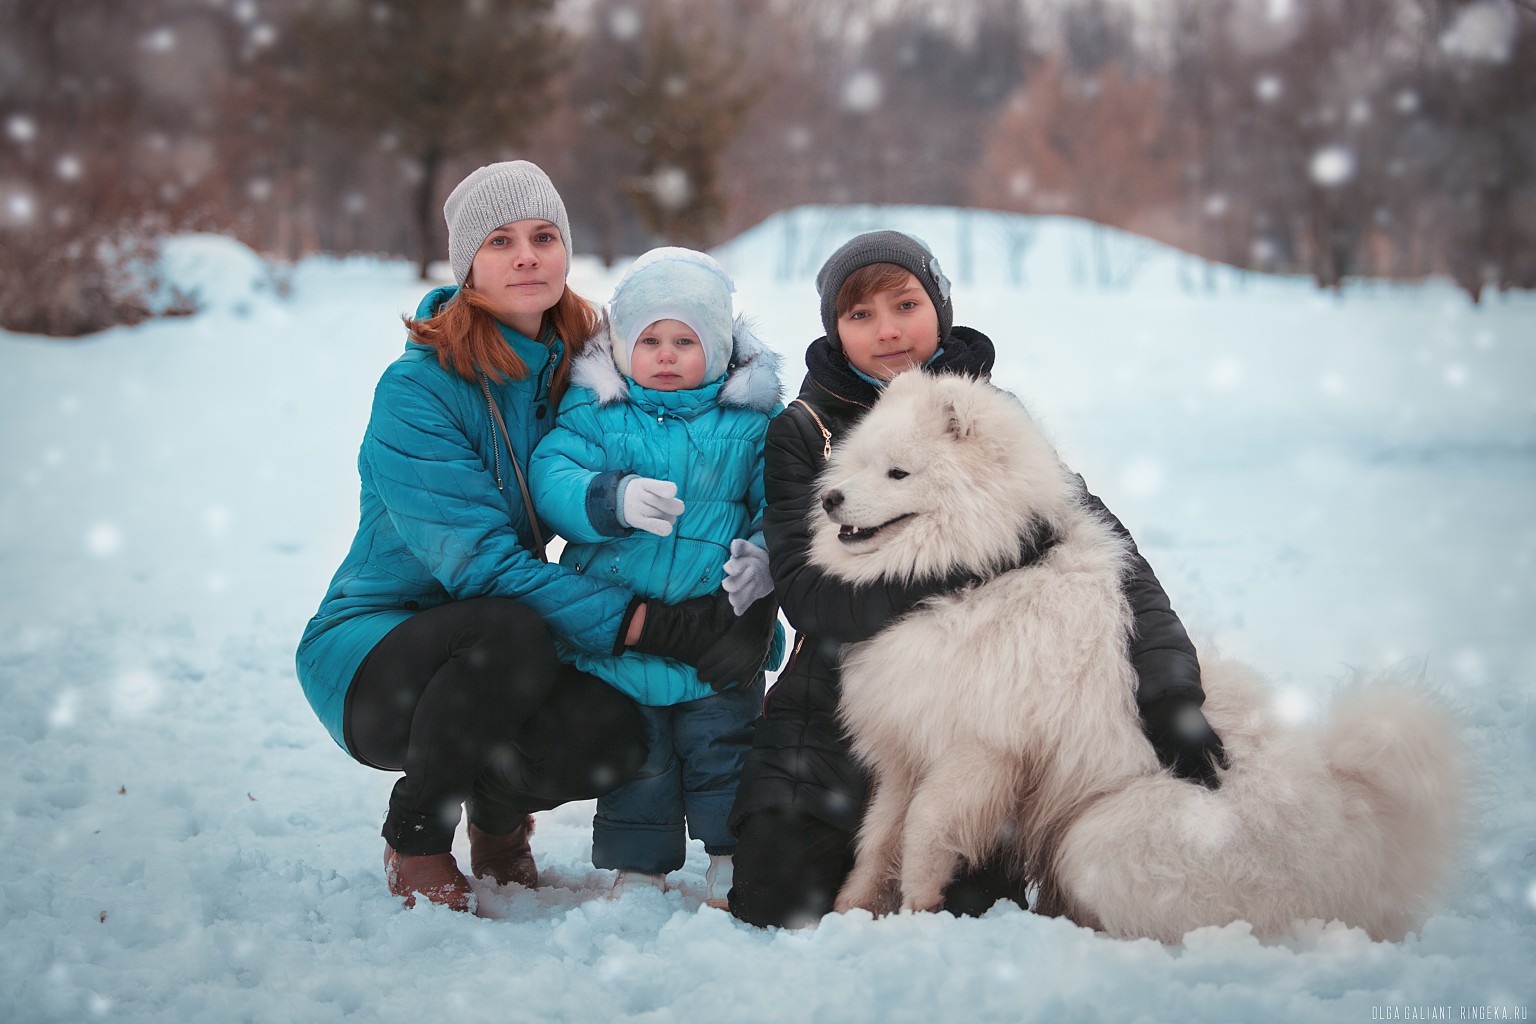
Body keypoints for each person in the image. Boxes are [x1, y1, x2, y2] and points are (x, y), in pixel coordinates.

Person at [294, 161, 765, 915]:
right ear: (467, 267)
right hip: (381, 653)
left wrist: (743, 588)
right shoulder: (417, 390)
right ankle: (417, 836)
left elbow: (708, 418)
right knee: (507, 631)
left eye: (544, 236)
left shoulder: (589, 364)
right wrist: (648, 624)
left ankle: (497, 818)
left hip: (517, 629)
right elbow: (480, 567)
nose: (526, 256)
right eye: (500, 241)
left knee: (618, 729)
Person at [725, 230, 1228, 929]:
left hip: (979, 714)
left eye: (905, 304)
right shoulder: (805, 430)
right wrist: (967, 559)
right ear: (835, 331)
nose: (889, 330)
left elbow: (1115, 560)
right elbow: (813, 599)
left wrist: (1172, 694)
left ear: (940, 307)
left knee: (963, 906)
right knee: (775, 901)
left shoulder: (991, 421)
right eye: (859, 315)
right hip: (833, 707)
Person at [529, 247, 783, 908]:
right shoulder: (595, 412)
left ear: (722, 350)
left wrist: (763, 555)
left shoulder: (751, 424)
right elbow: (552, 475)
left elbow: (779, 502)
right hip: (624, 634)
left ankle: (737, 857)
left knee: (725, 745)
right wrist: (607, 498)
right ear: (621, 345)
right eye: (649, 340)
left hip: (713, 631)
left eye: (685, 340)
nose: (666, 355)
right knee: (640, 756)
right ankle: (638, 869)